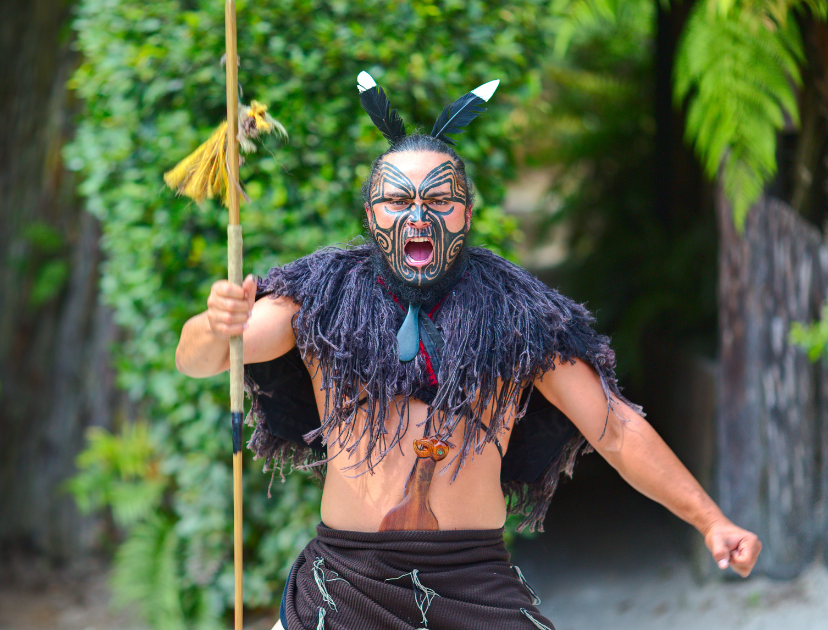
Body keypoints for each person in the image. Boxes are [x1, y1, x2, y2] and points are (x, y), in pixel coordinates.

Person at [173, 73, 761, 630]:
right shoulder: (323, 297)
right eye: (397, 201)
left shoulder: (517, 315)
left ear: (467, 213)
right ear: (371, 214)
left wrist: (710, 521)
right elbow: (205, 358)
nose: (418, 215)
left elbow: (615, 429)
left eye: (439, 200)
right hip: (345, 583)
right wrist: (212, 322)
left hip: (473, 579)